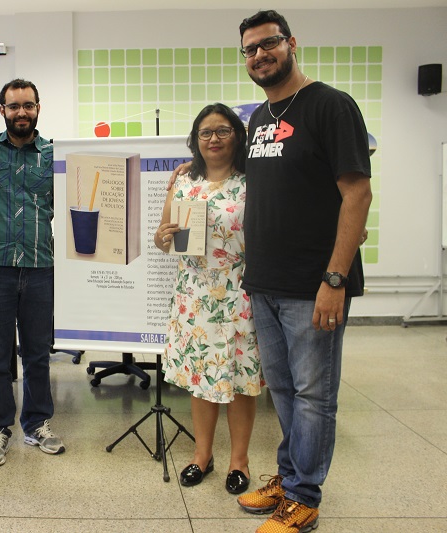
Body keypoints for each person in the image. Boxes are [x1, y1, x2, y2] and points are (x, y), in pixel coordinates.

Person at [234, 10, 372, 533]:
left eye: (268, 44)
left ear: (291, 43)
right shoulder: (258, 118)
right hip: (265, 282)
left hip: (315, 284)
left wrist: (335, 280)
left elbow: (356, 194)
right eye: (249, 49)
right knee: (285, 392)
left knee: (315, 394)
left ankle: (305, 498)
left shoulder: (331, 106)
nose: (259, 55)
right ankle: (289, 479)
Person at [155, 103, 260, 495]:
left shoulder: (254, 181)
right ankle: (202, 456)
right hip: (194, 295)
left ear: (237, 135)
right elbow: (163, 241)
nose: (213, 139)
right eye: (205, 133)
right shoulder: (183, 182)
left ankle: (239, 461)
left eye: (222, 131)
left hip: (239, 292)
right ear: (195, 140)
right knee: (201, 380)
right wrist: (163, 239)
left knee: (239, 381)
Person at [0, 78, 65, 467]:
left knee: (38, 354)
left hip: (40, 267)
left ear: (38, 108)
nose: (22, 112)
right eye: (14, 106)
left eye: (28, 105)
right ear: (2, 109)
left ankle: (37, 424)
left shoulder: (54, 155)